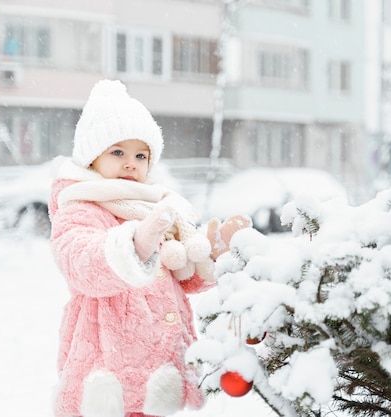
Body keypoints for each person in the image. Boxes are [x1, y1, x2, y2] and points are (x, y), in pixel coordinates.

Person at [48, 79, 250, 417]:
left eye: (141, 155)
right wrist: (132, 248)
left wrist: (213, 255)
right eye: (118, 152)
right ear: (91, 158)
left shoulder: (157, 205)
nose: (131, 163)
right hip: (108, 363)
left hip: (159, 362)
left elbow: (179, 279)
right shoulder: (81, 207)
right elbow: (79, 261)